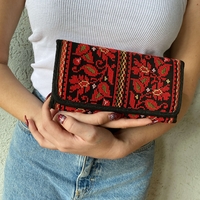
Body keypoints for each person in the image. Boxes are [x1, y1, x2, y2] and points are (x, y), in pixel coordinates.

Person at [0, 0, 199, 199]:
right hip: (40, 152)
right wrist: (43, 121)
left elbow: (182, 90)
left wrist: (122, 145)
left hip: (126, 164)